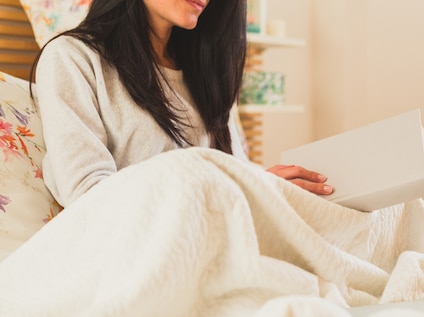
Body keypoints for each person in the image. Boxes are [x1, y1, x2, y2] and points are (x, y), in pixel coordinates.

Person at [32, 0, 333, 208]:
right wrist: (246, 188)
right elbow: (88, 198)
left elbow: (237, 174)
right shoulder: (71, 59)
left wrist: (271, 186)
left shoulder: (203, 73)